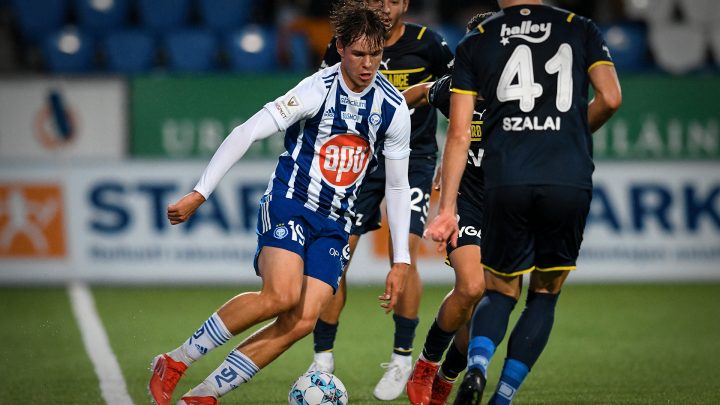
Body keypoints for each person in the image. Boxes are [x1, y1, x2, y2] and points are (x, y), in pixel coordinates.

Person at [147, 3, 413, 404]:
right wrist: (200, 191)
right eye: (358, 53)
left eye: (375, 54)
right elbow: (247, 130)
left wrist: (402, 261)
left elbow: (397, 187)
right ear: (339, 47)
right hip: (291, 202)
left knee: (303, 320)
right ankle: (176, 360)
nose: (367, 64)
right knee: (280, 297)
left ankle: (203, 395)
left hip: (336, 222)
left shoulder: (392, 108)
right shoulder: (316, 89)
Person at [425, 1, 622, 404]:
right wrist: (569, 137)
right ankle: (503, 397)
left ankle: (476, 367)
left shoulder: (477, 41)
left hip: (509, 178)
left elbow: (458, 135)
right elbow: (611, 99)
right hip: (566, 177)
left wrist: (445, 209)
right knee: (544, 295)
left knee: (498, 292)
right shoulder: (579, 27)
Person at [309, 0, 454, 400]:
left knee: (402, 256)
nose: (383, 7)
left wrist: (454, 159)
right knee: (336, 258)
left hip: (415, 160)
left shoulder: (431, 45)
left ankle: (402, 357)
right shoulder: (344, 43)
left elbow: (462, 96)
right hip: (359, 161)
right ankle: (322, 359)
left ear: (406, 3)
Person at [402, 13, 495, 405]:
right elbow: (418, 93)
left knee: (484, 300)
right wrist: (376, 125)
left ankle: (448, 375)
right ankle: (425, 365)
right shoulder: (458, 86)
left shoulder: (529, 95)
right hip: (469, 201)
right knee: (471, 286)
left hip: (512, 206)